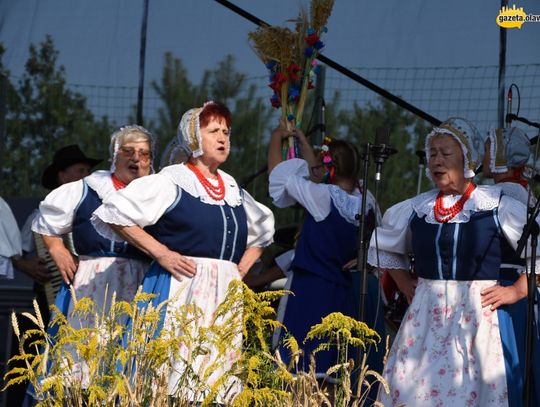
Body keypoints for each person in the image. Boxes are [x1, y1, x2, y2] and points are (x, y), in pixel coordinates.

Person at [92, 101, 275, 399]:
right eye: (213, 130)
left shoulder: (231, 187)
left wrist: (237, 271)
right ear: (192, 136)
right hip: (180, 290)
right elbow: (115, 213)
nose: (222, 138)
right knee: (168, 380)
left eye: (226, 132)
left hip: (221, 299)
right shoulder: (172, 180)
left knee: (213, 385)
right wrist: (160, 253)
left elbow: (263, 230)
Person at [369, 117, 540, 406]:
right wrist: (407, 285)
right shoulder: (417, 207)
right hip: (425, 319)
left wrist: (517, 291)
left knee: (468, 391)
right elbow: (385, 248)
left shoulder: (496, 205)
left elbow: (537, 252)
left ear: (468, 158)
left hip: (477, 318)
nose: (437, 160)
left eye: (446, 153)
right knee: (411, 389)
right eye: (432, 153)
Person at [267, 125, 380, 382]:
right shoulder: (366, 201)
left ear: (330, 168)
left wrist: (275, 139)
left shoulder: (323, 197)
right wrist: (304, 142)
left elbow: (279, 176)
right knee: (329, 370)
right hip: (341, 293)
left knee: (297, 367)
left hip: (310, 291)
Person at [31, 126, 155, 331]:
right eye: (128, 151)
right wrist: (57, 249)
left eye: (144, 153)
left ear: (150, 162)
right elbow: (46, 221)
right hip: (93, 280)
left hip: (142, 281)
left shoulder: (158, 193)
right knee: (87, 349)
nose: (136, 158)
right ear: (114, 156)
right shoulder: (88, 187)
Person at [483, 126, 535, 206]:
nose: (482, 156)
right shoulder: (519, 190)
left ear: (498, 155)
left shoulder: (505, 192)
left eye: (486, 150)